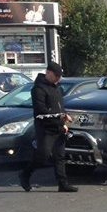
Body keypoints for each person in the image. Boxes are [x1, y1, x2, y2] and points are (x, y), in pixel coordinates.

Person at [18, 62, 78, 192]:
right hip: (45, 128)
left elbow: (59, 107)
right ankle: (25, 174)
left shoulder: (56, 88)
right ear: (48, 73)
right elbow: (41, 110)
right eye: (56, 76)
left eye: (59, 76)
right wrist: (61, 117)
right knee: (42, 155)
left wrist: (64, 118)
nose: (58, 79)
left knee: (60, 156)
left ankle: (63, 184)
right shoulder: (38, 89)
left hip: (59, 127)